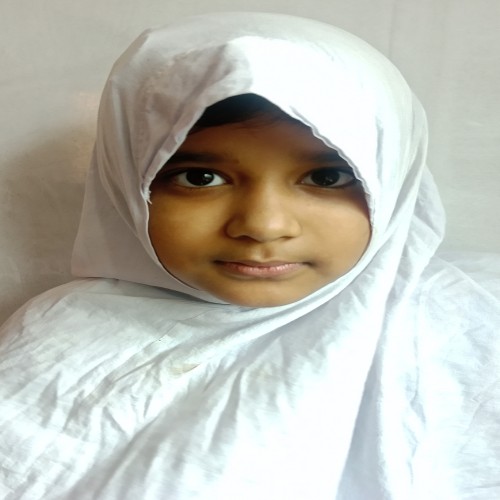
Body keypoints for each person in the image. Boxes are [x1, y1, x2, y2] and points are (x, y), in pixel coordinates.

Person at [0, 11, 499, 500]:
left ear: (392, 178)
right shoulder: (57, 346)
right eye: (201, 178)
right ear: (128, 182)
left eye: (326, 177)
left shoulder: (469, 324)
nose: (263, 224)